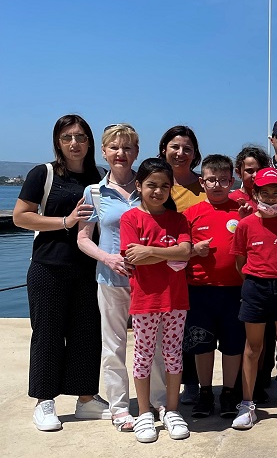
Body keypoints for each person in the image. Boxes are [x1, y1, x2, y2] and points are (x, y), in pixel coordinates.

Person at [13, 114, 108, 431]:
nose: (74, 143)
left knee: (87, 333)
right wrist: (64, 222)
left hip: (88, 268)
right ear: (58, 142)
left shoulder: (100, 176)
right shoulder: (44, 173)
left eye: (80, 137)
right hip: (48, 267)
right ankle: (44, 401)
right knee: (48, 334)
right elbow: (21, 217)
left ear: (90, 141)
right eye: (67, 137)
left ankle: (86, 400)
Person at [77, 123, 168, 432]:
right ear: (104, 151)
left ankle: (157, 400)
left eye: (127, 148)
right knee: (113, 345)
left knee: (153, 345)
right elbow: (83, 238)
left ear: (137, 153)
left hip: (150, 284)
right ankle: (119, 407)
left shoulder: (151, 188)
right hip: (111, 282)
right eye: (115, 147)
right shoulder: (93, 192)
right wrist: (108, 257)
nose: (121, 153)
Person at [119, 158, 193, 443]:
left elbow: (185, 252)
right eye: (151, 185)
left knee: (173, 355)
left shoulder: (178, 219)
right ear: (139, 186)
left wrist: (152, 251)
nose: (158, 191)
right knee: (143, 355)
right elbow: (131, 255)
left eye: (164, 186)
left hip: (176, 299)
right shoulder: (131, 218)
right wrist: (169, 250)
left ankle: (172, 410)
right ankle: (145, 412)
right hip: (145, 299)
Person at [229, 167, 277, 431]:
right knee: (253, 349)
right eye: (265, 193)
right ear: (256, 194)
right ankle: (247, 404)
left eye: (276, 193)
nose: (271, 198)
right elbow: (240, 263)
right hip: (255, 288)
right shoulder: (245, 225)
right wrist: (257, 281)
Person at [183, 154, 248, 419]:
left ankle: (230, 392)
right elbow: (180, 249)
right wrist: (192, 251)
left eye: (223, 180)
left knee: (233, 345)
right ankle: (205, 392)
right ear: (202, 181)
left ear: (232, 181)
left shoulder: (242, 210)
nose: (218, 185)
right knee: (202, 345)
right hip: (199, 289)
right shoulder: (191, 214)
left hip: (235, 290)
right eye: (211, 180)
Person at [158, 125, 205, 404]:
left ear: (195, 153)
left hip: (198, 271)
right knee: (164, 333)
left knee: (193, 330)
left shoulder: (204, 185)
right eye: (174, 147)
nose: (180, 153)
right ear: (164, 149)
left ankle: (193, 382)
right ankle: (169, 384)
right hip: (163, 271)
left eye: (187, 148)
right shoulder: (156, 184)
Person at [230, 145, 271, 211]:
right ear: (238, 172)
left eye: (260, 170)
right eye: (249, 171)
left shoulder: (273, 200)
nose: (255, 175)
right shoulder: (231, 200)